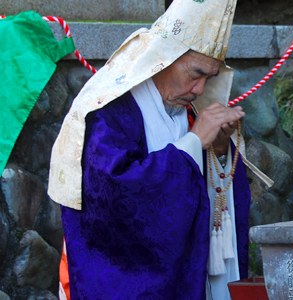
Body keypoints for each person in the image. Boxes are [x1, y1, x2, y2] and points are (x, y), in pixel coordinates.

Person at [48, 0, 271, 299]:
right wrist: (193, 143)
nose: (200, 90)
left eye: (209, 78)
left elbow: (210, 192)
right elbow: (114, 197)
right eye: (195, 74)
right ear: (162, 58)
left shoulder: (190, 110)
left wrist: (218, 149)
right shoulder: (110, 112)